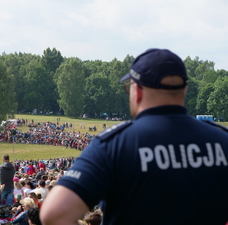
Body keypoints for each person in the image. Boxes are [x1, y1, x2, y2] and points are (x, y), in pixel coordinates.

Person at [40, 49, 228, 225]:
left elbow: (54, 213)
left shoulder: (115, 145)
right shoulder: (222, 139)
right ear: (184, 90)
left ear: (136, 91)